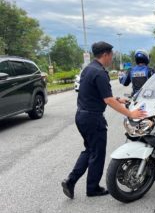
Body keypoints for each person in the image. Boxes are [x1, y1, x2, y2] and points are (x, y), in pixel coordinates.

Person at [61, 41, 147, 199]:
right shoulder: (100, 73)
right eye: (111, 55)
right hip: (93, 119)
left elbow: (97, 94)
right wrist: (130, 113)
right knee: (97, 153)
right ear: (106, 54)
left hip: (82, 116)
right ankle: (92, 188)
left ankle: (70, 181)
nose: (112, 59)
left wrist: (118, 99)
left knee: (90, 150)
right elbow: (107, 100)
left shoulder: (88, 69)